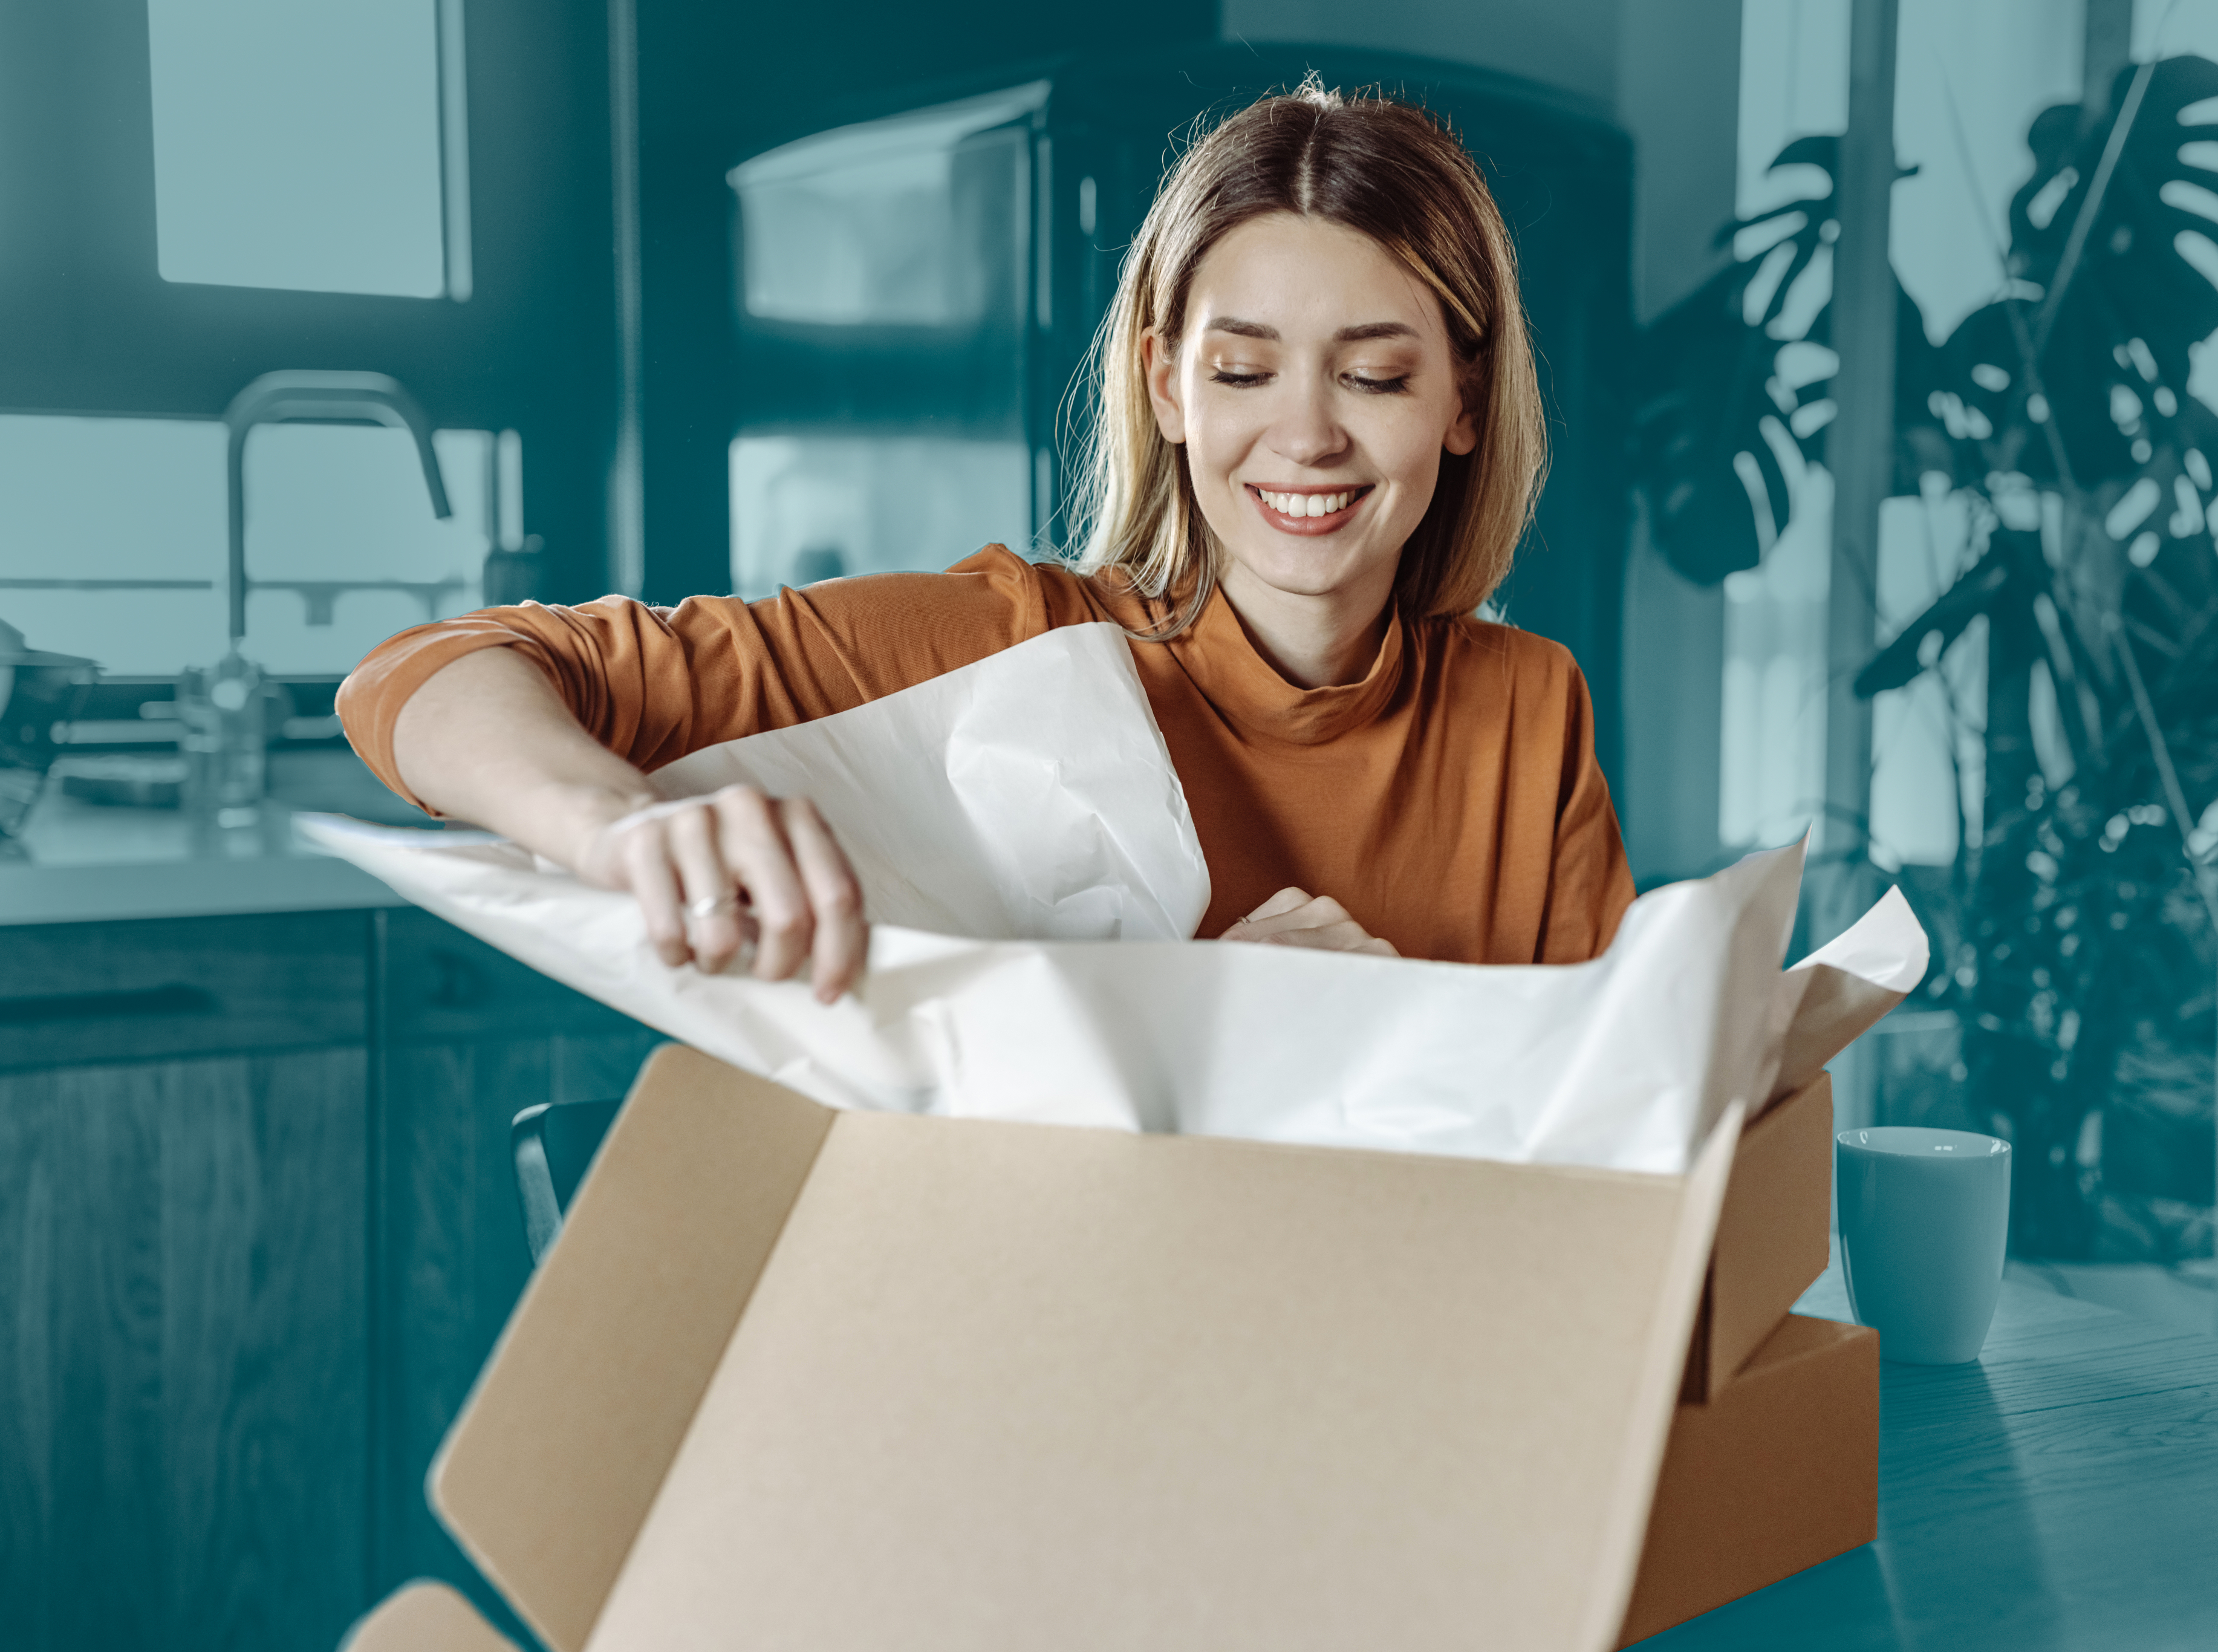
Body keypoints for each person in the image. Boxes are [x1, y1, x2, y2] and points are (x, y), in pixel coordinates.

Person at [338, 79, 1634, 1002]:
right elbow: (418, 674)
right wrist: (621, 830)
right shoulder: (1002, 647)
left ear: (1463, 401)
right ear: (1166, 387)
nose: (1303, 437)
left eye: (1373, 378)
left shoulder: (1527, 714)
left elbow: (1594, 1137)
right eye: (1242, 372)